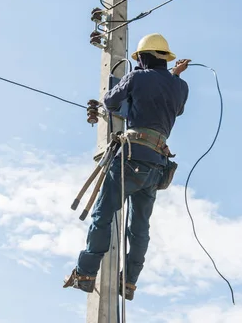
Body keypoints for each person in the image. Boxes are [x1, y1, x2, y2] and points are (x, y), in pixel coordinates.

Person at [63, 33, 190, 301]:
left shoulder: (137, 77)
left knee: (103, 214)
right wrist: (175, 76)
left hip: (131, 157)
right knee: (140, 227)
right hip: (156, 165)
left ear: (142, 58)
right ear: (165, 59)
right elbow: (174, 108)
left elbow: (110, 101)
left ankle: (86, 273)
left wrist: (130, 89)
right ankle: (130, 282)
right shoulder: (181, 86)